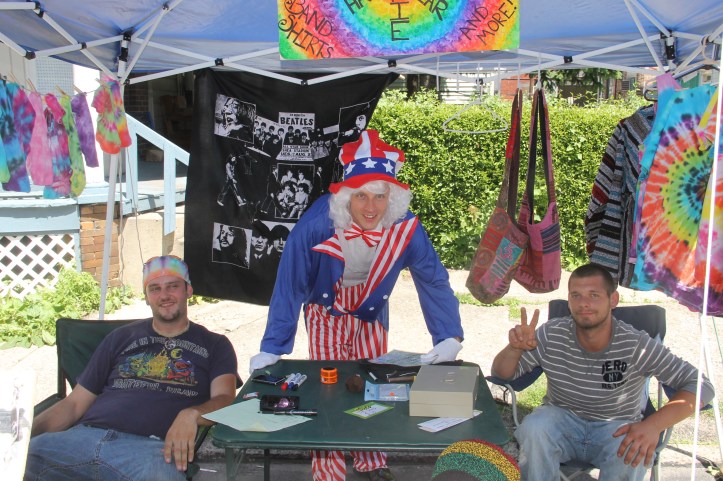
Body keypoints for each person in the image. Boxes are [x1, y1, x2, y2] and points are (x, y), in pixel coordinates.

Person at [249, 129, 464, 481]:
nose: (370, 207)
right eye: (361, 195)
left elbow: (433, 279)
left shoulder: (407, 228)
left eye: (379, 196)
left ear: (392, 196)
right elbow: (290, 283)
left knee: (372, 382)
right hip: (325, 304)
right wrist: (273, 346)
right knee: (328, 386)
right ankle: (328, 471)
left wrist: (448, 335)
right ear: (346, 195)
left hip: (371, 305)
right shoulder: (315, 226)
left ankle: (372, 460)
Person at [490, 263, 715, 481]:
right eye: (576, 295)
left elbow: (701, 385)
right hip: (561, 419)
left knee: (635, 445)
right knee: (534, 428)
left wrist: (654, 425)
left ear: (613, 299)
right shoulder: (551, 334)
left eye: (594, 295)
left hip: (616, 428)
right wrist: (514, 349)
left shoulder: (636, 345)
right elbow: (502, 374)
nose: (584, 303)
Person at [25, 255, 239, 481]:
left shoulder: (215, 344)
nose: (164, 295)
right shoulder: (120, 337)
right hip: (81, 441)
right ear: (146, 297)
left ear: (188, 291)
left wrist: (192, 414)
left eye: (173, 286)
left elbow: (225, 399)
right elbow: (74, 404)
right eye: (154, 289)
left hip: (149, 452)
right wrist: (20, 437)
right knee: (13, 462)